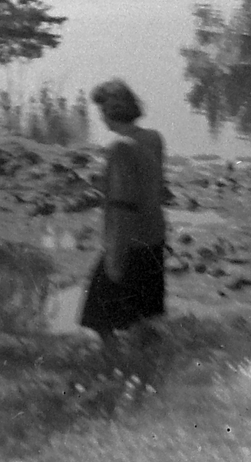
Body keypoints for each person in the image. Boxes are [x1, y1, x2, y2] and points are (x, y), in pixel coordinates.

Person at [79, 79, 166, 343]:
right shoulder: (152, 138)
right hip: (154, 238)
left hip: (129, 242)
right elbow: (153, 186)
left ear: (109, 112)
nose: (101, 117)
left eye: (101, 110)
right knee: (140, 315)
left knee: (99, 318)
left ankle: (115, 364)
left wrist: (115, 256)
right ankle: (151, 359)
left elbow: (122, 207)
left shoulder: (119, 148)